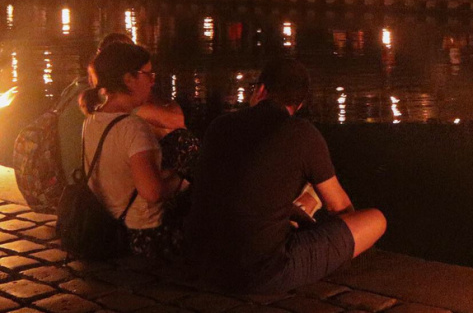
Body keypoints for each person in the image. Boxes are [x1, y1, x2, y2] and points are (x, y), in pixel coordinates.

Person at [185, 59, 386, 294]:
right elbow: (340, 207)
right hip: (257, 272)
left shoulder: (219, 126)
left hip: (202, 263)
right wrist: (338, 237)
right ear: (299, 104)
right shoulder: (301, 133)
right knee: (376, 219)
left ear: (261, 90)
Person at [80, 42, 197, 258]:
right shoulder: (133, 127)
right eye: (147, 74)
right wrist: (181, 182)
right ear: (128, 79)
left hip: (107, 220)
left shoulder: (92, 119)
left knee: (180, 141)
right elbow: (152, 192)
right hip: (142, 235)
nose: (153, 81)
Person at [58, 33, 186, 183]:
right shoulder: (113, 103)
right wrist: (180, 180)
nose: (152, 79)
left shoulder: (80, 91)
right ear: (125, 74)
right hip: (87, 184)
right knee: (173, 136)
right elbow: (176, 121)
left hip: (71, 178)